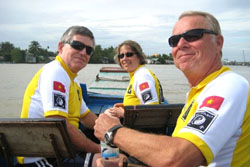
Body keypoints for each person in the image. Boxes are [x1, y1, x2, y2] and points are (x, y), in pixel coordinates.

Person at [94, 11, 250, 167]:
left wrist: (113, 131)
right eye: (174, 40)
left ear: (218, 43)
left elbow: (178, 159)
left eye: (194, 35)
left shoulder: (228, 85)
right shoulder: (199, 93)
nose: (181, 44)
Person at [18, 26, 101, 167]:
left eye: (89, 50)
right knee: (107, 162)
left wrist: (112, 132)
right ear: (61, 47)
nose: (83, 52)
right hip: (44, 156)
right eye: (77, 46)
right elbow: (58, 122)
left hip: (62, 148)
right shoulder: (55, 72)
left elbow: (86, 117)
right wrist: (98, 149)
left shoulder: (72, 80)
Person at [105, 40, 164, 118]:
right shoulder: (137, 74)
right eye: (121, 56)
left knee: (106, 116)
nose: (124, 59)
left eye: (129, 54)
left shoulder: (142, 77)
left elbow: (151, 111)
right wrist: (126, 106)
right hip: (136, 122)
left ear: (139, 56)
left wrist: (124, 113)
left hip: (143, 128)